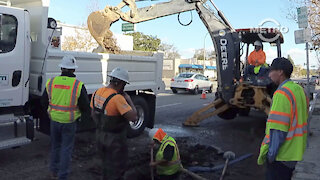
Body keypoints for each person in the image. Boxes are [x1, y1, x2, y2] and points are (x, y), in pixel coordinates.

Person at [257, 57, 309, 180]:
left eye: (271, 71)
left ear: (280, 72)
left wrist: (270, 156)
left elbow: (278, 130)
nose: (269, 75)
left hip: (282, 156)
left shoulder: (281, 94)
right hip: (295, 152)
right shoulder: (298, 90)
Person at [41, 55, 90, 180]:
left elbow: (43, 101)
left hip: (54, 120)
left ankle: (53, 172)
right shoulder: (78, 85)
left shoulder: (51, 82)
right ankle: (63, 176)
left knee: (55, 146)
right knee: (66, 149)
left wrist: (49, 111)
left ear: (61, 68)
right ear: (73, 70)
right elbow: (85, 106)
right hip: (69, 122)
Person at [90, 67, 137, 180]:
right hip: (115, 140)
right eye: (124, 84)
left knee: (103, 164)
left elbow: (93, 114)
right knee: (117, 168)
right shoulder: (117, 99)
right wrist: (129, 100)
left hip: (100, 135)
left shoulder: (97, 92)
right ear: (120, 83)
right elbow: (134, 117)